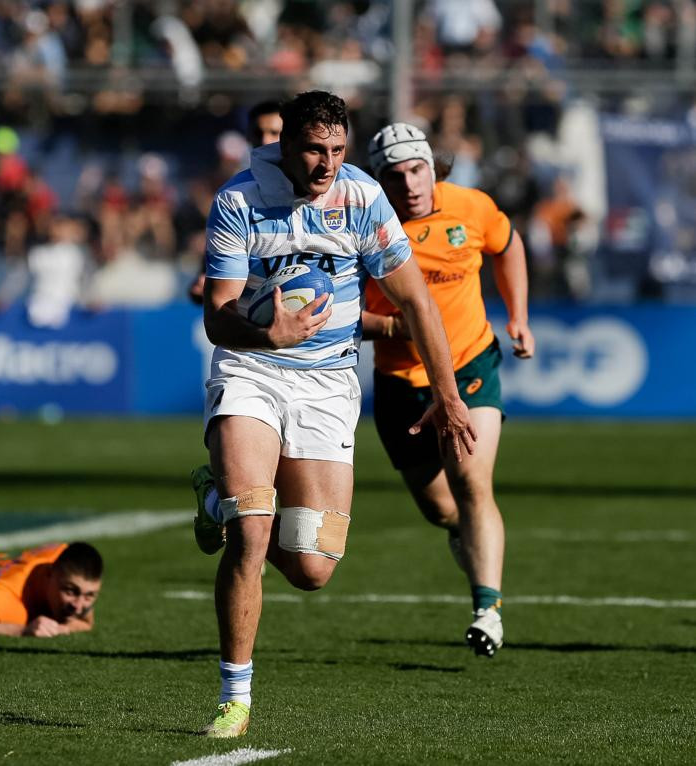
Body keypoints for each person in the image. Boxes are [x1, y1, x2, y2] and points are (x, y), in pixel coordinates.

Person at [190, 91, 475, 738]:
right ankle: (235, 695)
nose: (327, 165)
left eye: (338, 151)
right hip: (252, 371)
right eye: (315, 150)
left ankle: (214, 500)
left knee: (313, 567)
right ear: (286, 144)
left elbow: (417, 301)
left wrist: (448, 395)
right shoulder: (239, 200)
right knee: (252, 529)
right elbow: (218, 315)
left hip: (326, 383)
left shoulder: (361, 197)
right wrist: (271, 336)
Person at [361, 122, 536, 658]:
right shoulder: (359, 228)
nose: (410, 184)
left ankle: (488, 608)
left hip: (469, 365)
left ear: (433, 166)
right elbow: (335, 314)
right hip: (402, 384)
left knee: (470, 479)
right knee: (442, 509)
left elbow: (508, 246)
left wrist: (519, 316)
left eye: (417, 169)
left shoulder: (472, 207)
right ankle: (467, 534)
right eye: (395, 175)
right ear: (379, 181)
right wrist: (393, 327)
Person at [188, 101, 285, 305]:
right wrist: (205, 275)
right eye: (259, 133)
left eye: (275, 133)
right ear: (249, 137)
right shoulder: (234, 193)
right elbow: (221, 235)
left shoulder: (319, 186)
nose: (266, 140)